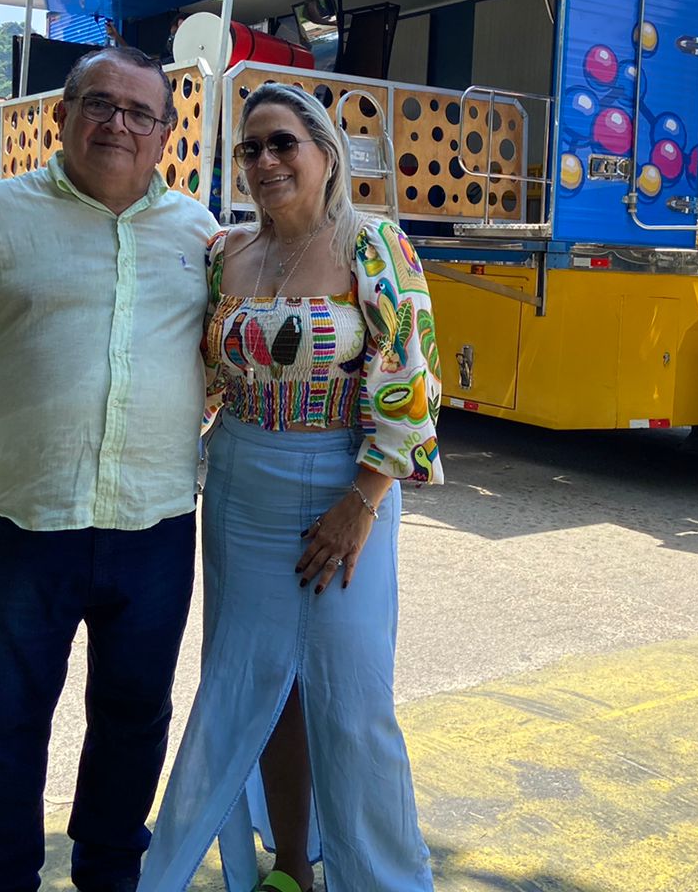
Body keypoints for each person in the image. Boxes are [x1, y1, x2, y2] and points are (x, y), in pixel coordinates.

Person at [0, 44, 216, 892]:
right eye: (100, 103)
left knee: (135, 719)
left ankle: (110, 874)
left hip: (155, 525)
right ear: (63, 115)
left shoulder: (200, 234)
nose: (118, 124)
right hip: (22, 525)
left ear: (166, 134)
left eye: (140, 112)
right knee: (3, 724)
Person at [141, 82, 443, 892]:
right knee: (255, 690)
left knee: (351, 700)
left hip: (347, 491)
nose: (265, 160)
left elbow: (411, 380)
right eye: (251, 148)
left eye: (282, 143)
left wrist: (363, 503)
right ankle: (289, 868)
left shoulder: (374, 246)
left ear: (325, 154)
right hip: (240, 492)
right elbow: (201, 373)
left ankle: (379, 880)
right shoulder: (225, 252)